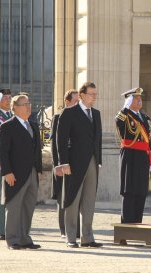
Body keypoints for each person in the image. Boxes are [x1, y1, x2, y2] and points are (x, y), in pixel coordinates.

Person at [56, 82, 103, 248]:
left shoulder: (96, 114)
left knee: (89, 200)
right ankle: (71, 237)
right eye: (91, 94)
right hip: (74, 163)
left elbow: (98, 140)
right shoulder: (69, 113)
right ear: (82, 95)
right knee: (72, 199)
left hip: (92, 162)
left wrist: (99, 162)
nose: (94, 97)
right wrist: (64, 163)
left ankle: (87, 237)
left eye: (95, 94)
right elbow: (61, 140)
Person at [0, 94, 42, 250]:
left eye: (29, 103)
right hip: (15, 174)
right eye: (25, 104)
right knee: (14, 207)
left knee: (28, 207)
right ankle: (13, 239)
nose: (28, 106)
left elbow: (37, 150)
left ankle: (25, 238)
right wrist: (7, 172)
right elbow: (3, 152)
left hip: (32, 173)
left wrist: (38, 169)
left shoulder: (33, 125)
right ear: (15, 108)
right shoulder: (7, 126)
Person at [115, 88, 151, 224]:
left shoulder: (145, 117)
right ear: (129, 100)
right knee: (129, 190)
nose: (139, 100)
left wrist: (150, 158)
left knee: (141, 191)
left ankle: (138, 223)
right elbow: (118, 123)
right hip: (130, 155)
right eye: (136, 98)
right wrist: (125, 108)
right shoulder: (124, 116)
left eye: (140, 98)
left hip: (142, 156)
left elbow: (148, 139)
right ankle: (126, 226)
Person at [51, 89, 79, 238]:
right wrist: (59, 165)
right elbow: (56, 145)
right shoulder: (58, 117)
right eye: (75, 101)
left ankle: (76, 230)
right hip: (63, 164)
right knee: (63, 197)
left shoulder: (80, 117)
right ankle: (63, 229)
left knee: (75, 197)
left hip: (76, 164)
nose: (77, 104)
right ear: (67, 102)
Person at [0, 88, 13, 241]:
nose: (8, 101)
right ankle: (1, 229)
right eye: (5, 98)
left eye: (10, 98)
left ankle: (8, 227)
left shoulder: (11, 115)